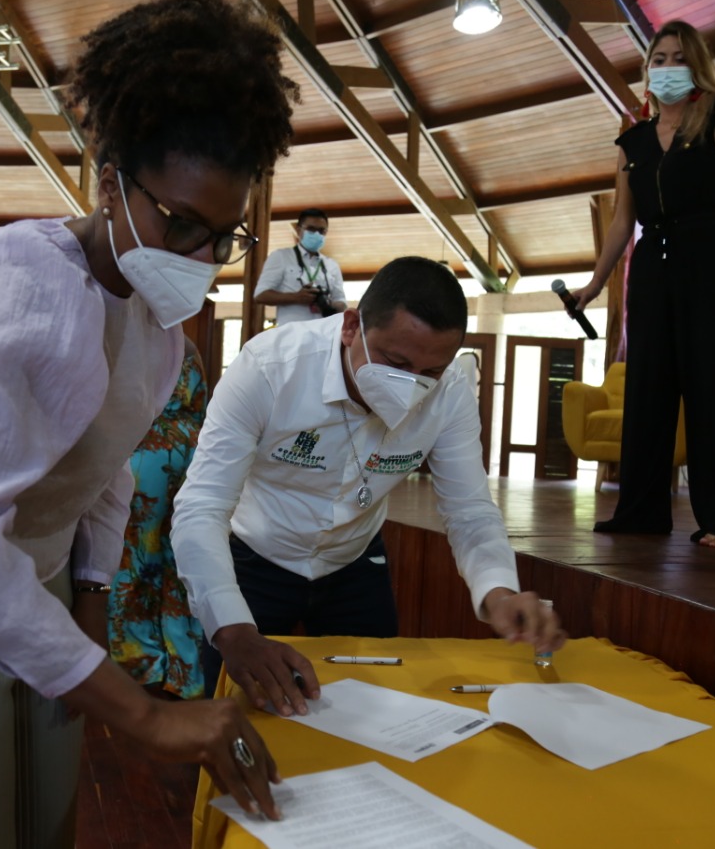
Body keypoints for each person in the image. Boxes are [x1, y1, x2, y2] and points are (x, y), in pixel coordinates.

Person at [0, 0, 298, 844]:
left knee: (41, 814)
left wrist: (91, 591)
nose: (199, 259)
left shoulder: (156, 324)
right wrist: (147, 715)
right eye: (182, 223)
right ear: (109, 182)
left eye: (222, 239)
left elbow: (101, 465)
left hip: (36, 575)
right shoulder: (21, 279)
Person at [172, 256, 566, 715]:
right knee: (233, 713)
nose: (409, 386)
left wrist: (498, 590)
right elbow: (202, 504)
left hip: (355, 565)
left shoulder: (451, 393)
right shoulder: (269, 368)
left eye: (430, 373)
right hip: (255, 559)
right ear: (351, 327)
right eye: (395, 362)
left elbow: (469, 509)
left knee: (374, 715)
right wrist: (232, 629)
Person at [571, 19, 715, 549]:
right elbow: (623, 221)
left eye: (679, 58)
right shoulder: (632, 140)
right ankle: (641, 511)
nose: (667, 68)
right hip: (652, 264)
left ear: (698, 65)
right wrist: (595, 283)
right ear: (647, 70)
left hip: (713, 254)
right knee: (648, 385)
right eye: (658, 59)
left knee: (713, 383)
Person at [107, 340, 209, 700]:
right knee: (180, 557)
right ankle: (185, 665)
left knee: (137, 557)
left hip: (143, 449)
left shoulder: (130, 340)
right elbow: (201, 401)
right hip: (193, 449)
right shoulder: (187, 346)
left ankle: (140, 660)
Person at [253, 208, 346, 325]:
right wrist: (296, 297)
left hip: (323, 330)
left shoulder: (332, 265)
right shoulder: (281, 256)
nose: (317, 234)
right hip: (292, 332)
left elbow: (341, 300)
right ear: (298, 230)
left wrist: (328, 304)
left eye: (321, 231)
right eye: (311, 229)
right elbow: (260, 295)